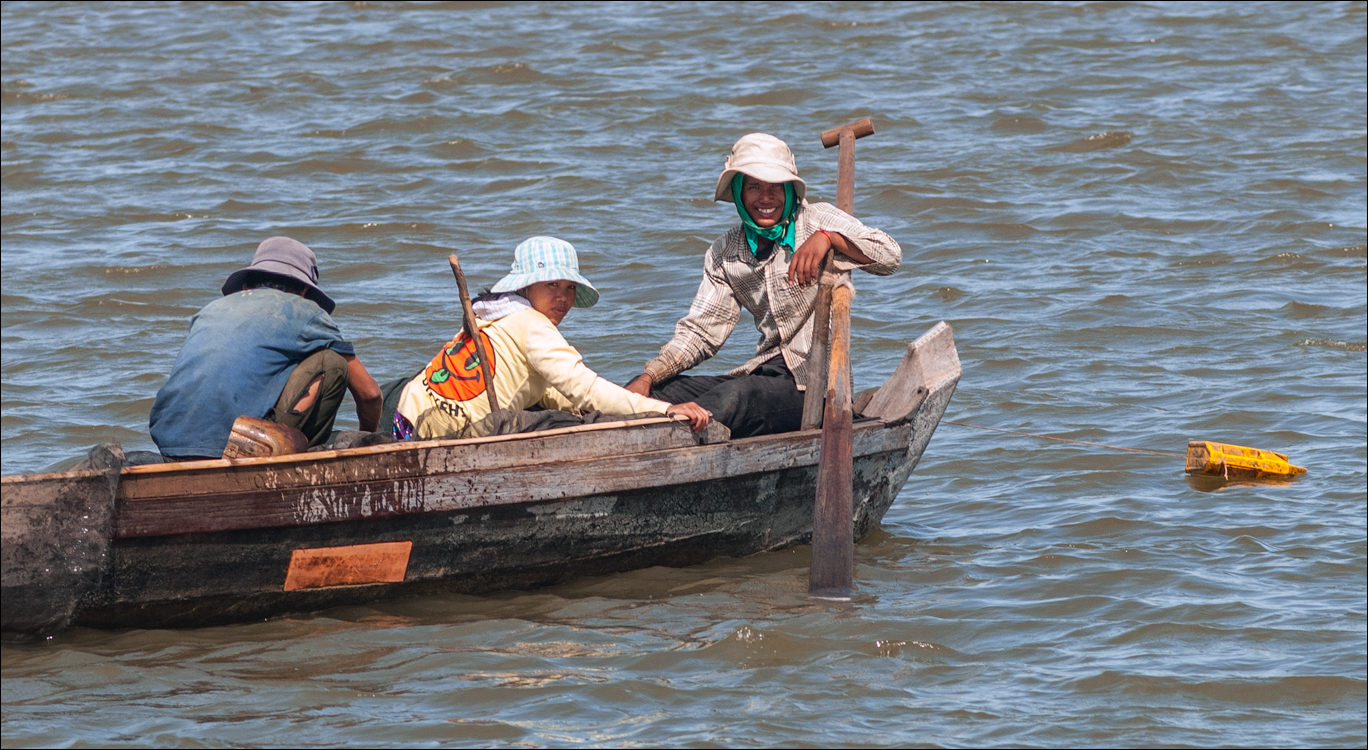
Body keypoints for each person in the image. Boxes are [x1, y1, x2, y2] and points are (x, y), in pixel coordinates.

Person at [624, 132, 901, 438]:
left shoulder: (816, 219)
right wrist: (649, 376)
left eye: (775, 188)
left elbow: (890, 256)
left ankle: (669, 439)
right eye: (754, 187)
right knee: (659, 392)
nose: (765, 198)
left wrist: (829, 239)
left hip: (814, 388)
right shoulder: (725, 252)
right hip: (765, 372)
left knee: (739, 397)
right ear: (739, 193)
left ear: (790, 191)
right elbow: (701, 333)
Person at [393, 236, 709, 440]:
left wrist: (592, 407)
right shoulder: (534, 327)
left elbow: (552, 388)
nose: (563, 298)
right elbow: (585, 389)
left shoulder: (491, 312)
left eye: (570, 288)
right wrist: (663, 410)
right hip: (442, 434)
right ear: (525, 288)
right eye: (551, 286)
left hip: (405, 418)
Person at [149, 236, 383, 460]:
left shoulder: (211, 310)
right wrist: (366, 441)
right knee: (331, 364)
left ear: (245, 284)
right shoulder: (305, 311)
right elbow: (370, 394)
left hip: (170, 442)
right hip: (239, 445)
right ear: (304, 292)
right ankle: (286, 458)